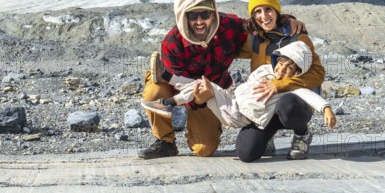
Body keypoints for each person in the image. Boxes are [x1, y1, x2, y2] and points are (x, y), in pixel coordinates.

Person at [138, 0, 304, 160]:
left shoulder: (228, 25)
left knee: (204, 149)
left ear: (213, 14)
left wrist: (287, 20)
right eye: (193, 16)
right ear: (183, 16)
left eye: (206, 15)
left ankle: (187, 118)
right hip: (176, 83)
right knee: (154, 91)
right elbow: (180, 85)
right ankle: (165, 141)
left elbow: (258, 23)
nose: (200, 21)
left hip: (211, 92)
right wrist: (194, 96)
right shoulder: (172, 42)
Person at [142, 41, 336, 145]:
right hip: (233, 101)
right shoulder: (265, 70)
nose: (283, 70)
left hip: (240, 117)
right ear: (277, 60)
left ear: (296, 73)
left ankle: (168, 100)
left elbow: (308, 94)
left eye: (290, 69)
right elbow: (250, 83)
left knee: (201, 87)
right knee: (202, 85)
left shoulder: (290, 85)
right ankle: (167, 80)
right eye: (283, 63)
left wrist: (326, 108)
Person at [235, 0, 326, 162]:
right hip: (265, 105)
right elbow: (227, 43)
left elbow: (318, 73)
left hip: (296, 101)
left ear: (276, 11)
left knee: (287, 104)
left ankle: (302, 135)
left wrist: (280, 84)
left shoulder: (297, 37)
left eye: (268, 10)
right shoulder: (254, 40)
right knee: (246, 153)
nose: (264, 16)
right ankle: (268, 135)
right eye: (257, 12)